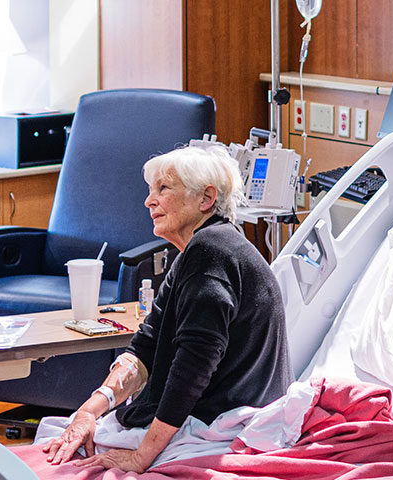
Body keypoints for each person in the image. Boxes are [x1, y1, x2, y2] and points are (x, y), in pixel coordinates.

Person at [41, 145, 294, 472]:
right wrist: (90, 410)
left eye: (163, 188)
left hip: (221, 426)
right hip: (215, 419)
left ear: (206, 198)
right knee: (68, 433)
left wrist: (141, 457)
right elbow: (144, 348)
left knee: (58, 457)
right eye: (150, 190)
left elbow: (193, 368)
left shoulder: (210, 253)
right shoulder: (199, 252)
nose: (149, 201)